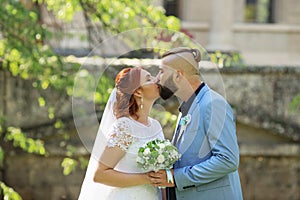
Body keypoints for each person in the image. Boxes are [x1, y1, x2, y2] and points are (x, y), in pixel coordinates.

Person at [149, 47, 243, 199]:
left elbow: (228, 160)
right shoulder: (187, 107)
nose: (158, 78)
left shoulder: (213, 104)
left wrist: (177, 177)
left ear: (178, 75)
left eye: (162, 71)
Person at [78, 67, 165, 200]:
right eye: (149, 79)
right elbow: (100, 175)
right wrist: (146, 178)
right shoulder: (125, 127)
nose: (156, 80)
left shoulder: (155, 126)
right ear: (138, 92)